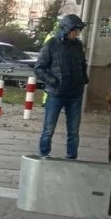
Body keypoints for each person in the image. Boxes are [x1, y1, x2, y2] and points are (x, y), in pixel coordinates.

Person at [34, 14, 89, 159]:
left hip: (75, 93)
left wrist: (84, 78)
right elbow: (39, 68)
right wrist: (54, 81)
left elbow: (82, 63)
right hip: (56, 93)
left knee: (74, 130)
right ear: (66, 29)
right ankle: (44, 154)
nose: (76, 33)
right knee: (48, 129)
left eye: (78, 31)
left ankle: (72, 157)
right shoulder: (51, 44)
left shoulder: (77, 45)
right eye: (74, 30)